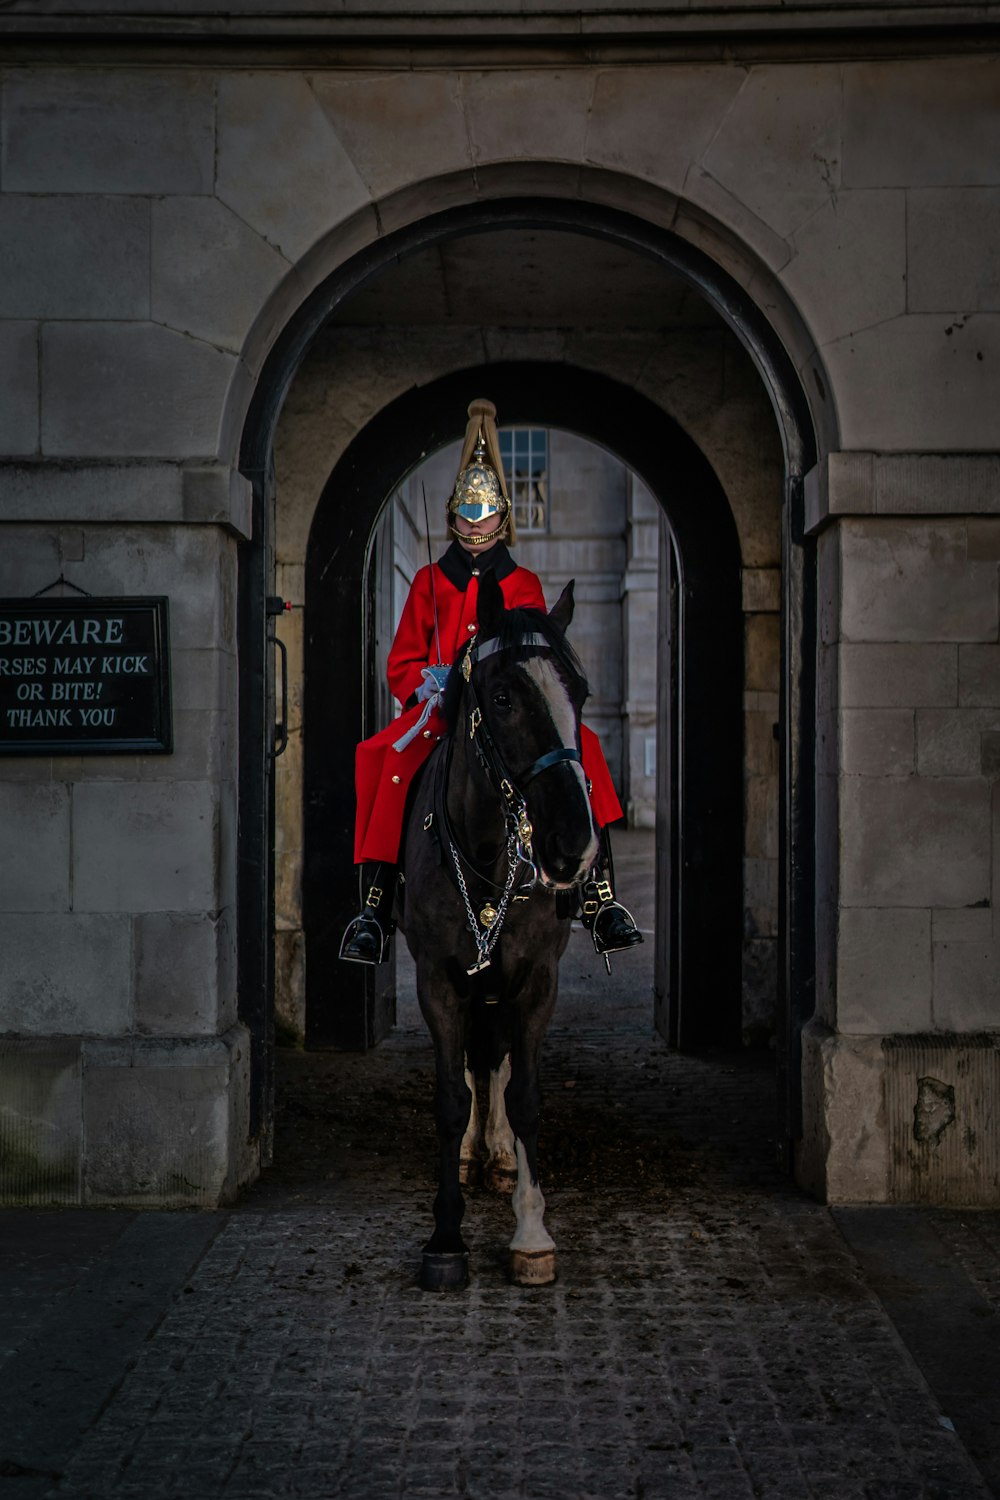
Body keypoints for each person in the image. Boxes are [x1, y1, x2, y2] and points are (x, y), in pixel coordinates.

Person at [340, 398, 643, 966]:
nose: (475, 530)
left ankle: (600, 895)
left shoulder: (522, 580)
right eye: (465, 519)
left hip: (506, 702)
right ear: (452, 520)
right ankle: (377, 905)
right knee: (386, 759)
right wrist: (424, 685)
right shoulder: (431, 581)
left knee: (587, 751)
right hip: (443, 703)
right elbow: (401, 661)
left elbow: (529, 646)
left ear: (502, 521)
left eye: (485, 520)